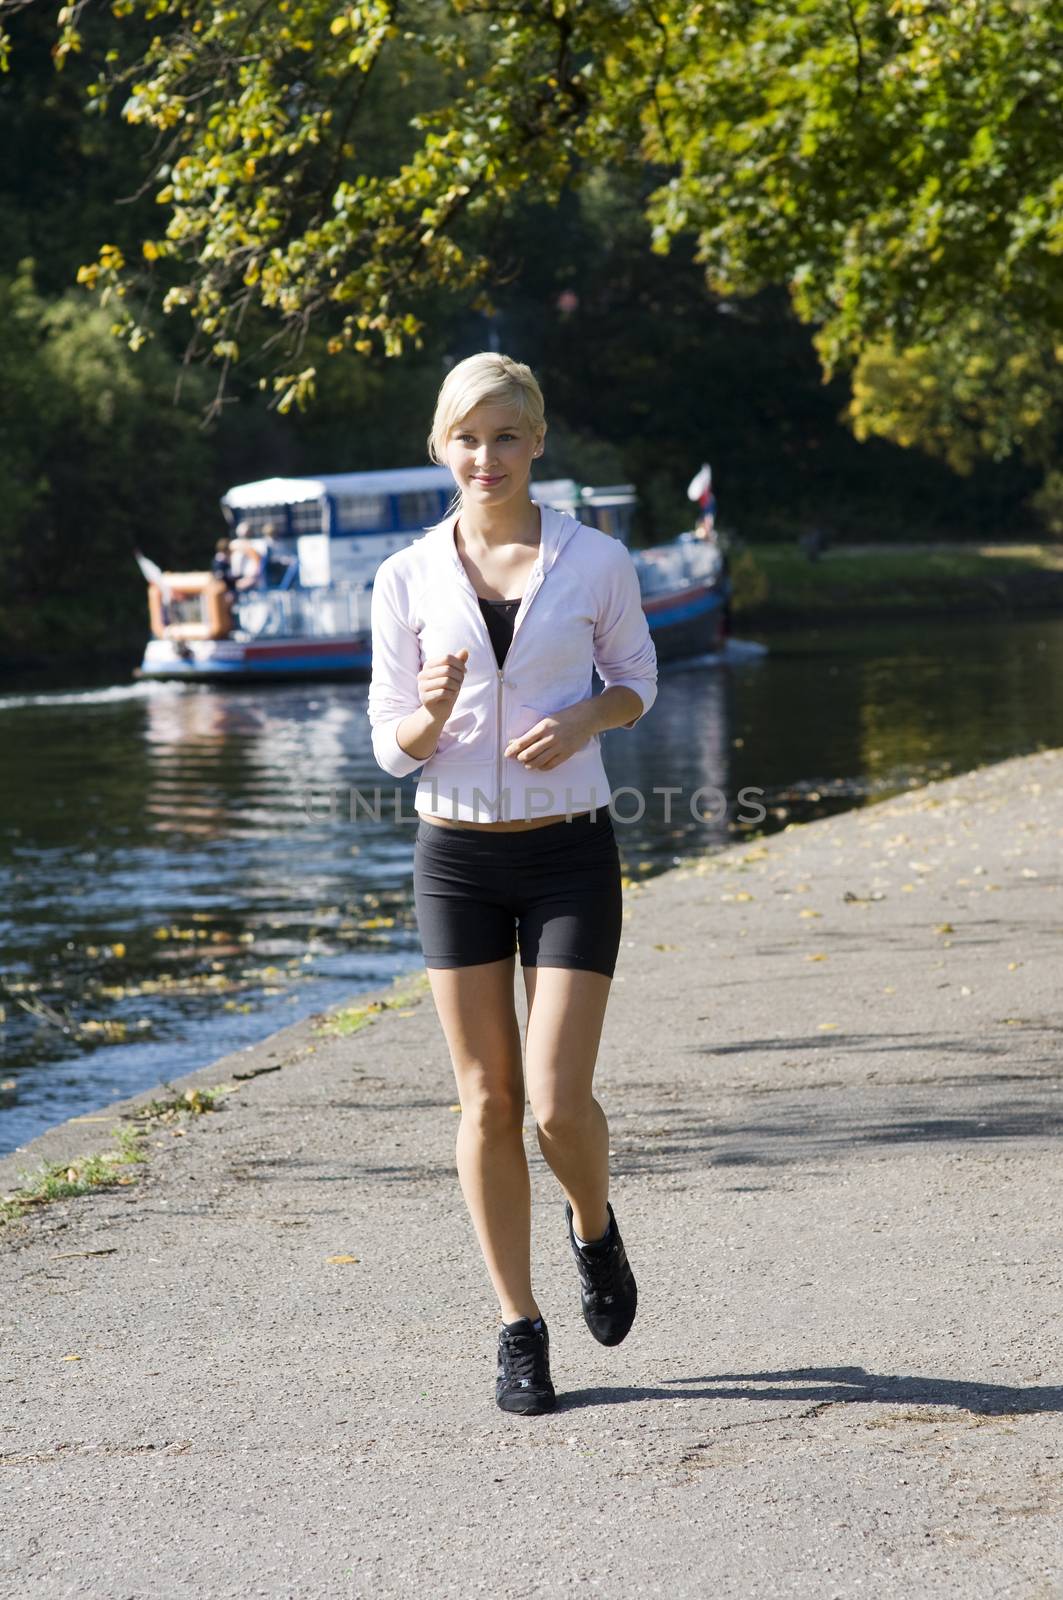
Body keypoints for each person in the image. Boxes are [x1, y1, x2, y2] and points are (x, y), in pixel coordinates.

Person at [367, 353, 658, 1417]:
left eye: (503, 436)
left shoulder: (594, 561)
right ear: (440, 447)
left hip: (570, 848)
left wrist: (586, 716)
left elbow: (640, 680)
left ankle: (594, 1224)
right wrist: (431, 713)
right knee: (486, 1100)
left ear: (536, 441)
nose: (483, 456)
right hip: (455, 856)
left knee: (553, 1100)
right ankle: (518, 1328)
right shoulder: (405, 577)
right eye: (464, 437)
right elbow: (391, 748)